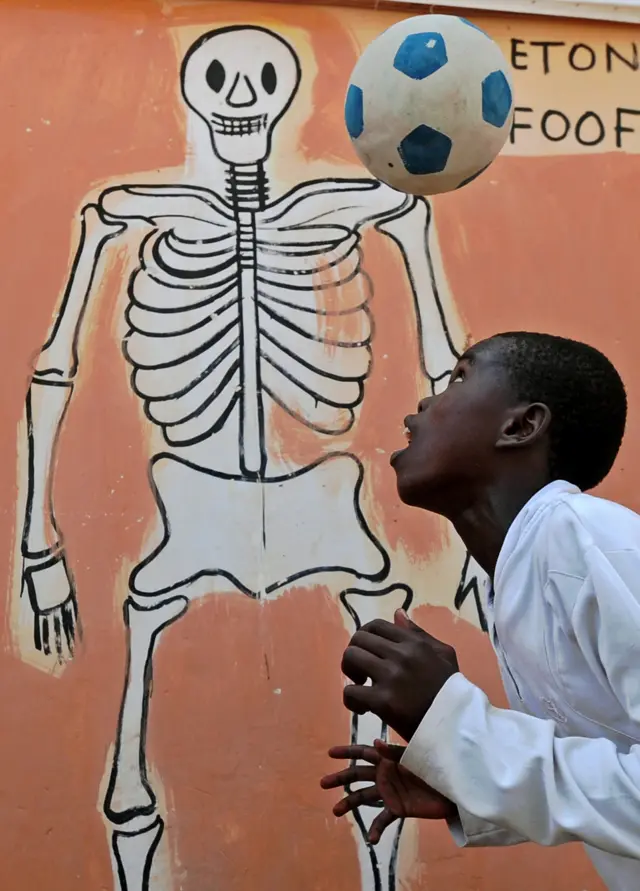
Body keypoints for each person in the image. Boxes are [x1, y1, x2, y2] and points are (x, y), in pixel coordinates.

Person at [320, 331, 640, 891]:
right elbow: (612, 769)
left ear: (520, 426)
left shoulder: (589, 540)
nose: (422, 406)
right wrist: (463, 775)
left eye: (459, 378)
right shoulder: (518, 576)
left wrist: (458, 726)